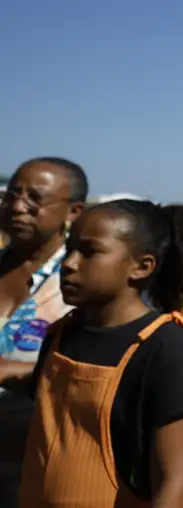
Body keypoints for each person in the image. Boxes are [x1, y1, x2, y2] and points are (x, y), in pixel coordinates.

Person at [0, 199, 183, 508]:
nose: (69, 263)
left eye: (90, 252)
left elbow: (173, 478)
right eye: (70, 249)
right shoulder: (63, 331)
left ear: (141, 267)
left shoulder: (162, 343)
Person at [0, 157, 87, 506]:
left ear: (73, 211)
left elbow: (97, 373)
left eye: (34, 198)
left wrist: (12, 372)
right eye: (12, 195)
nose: (18, 206)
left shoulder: (84, 285)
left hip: (37, 469)